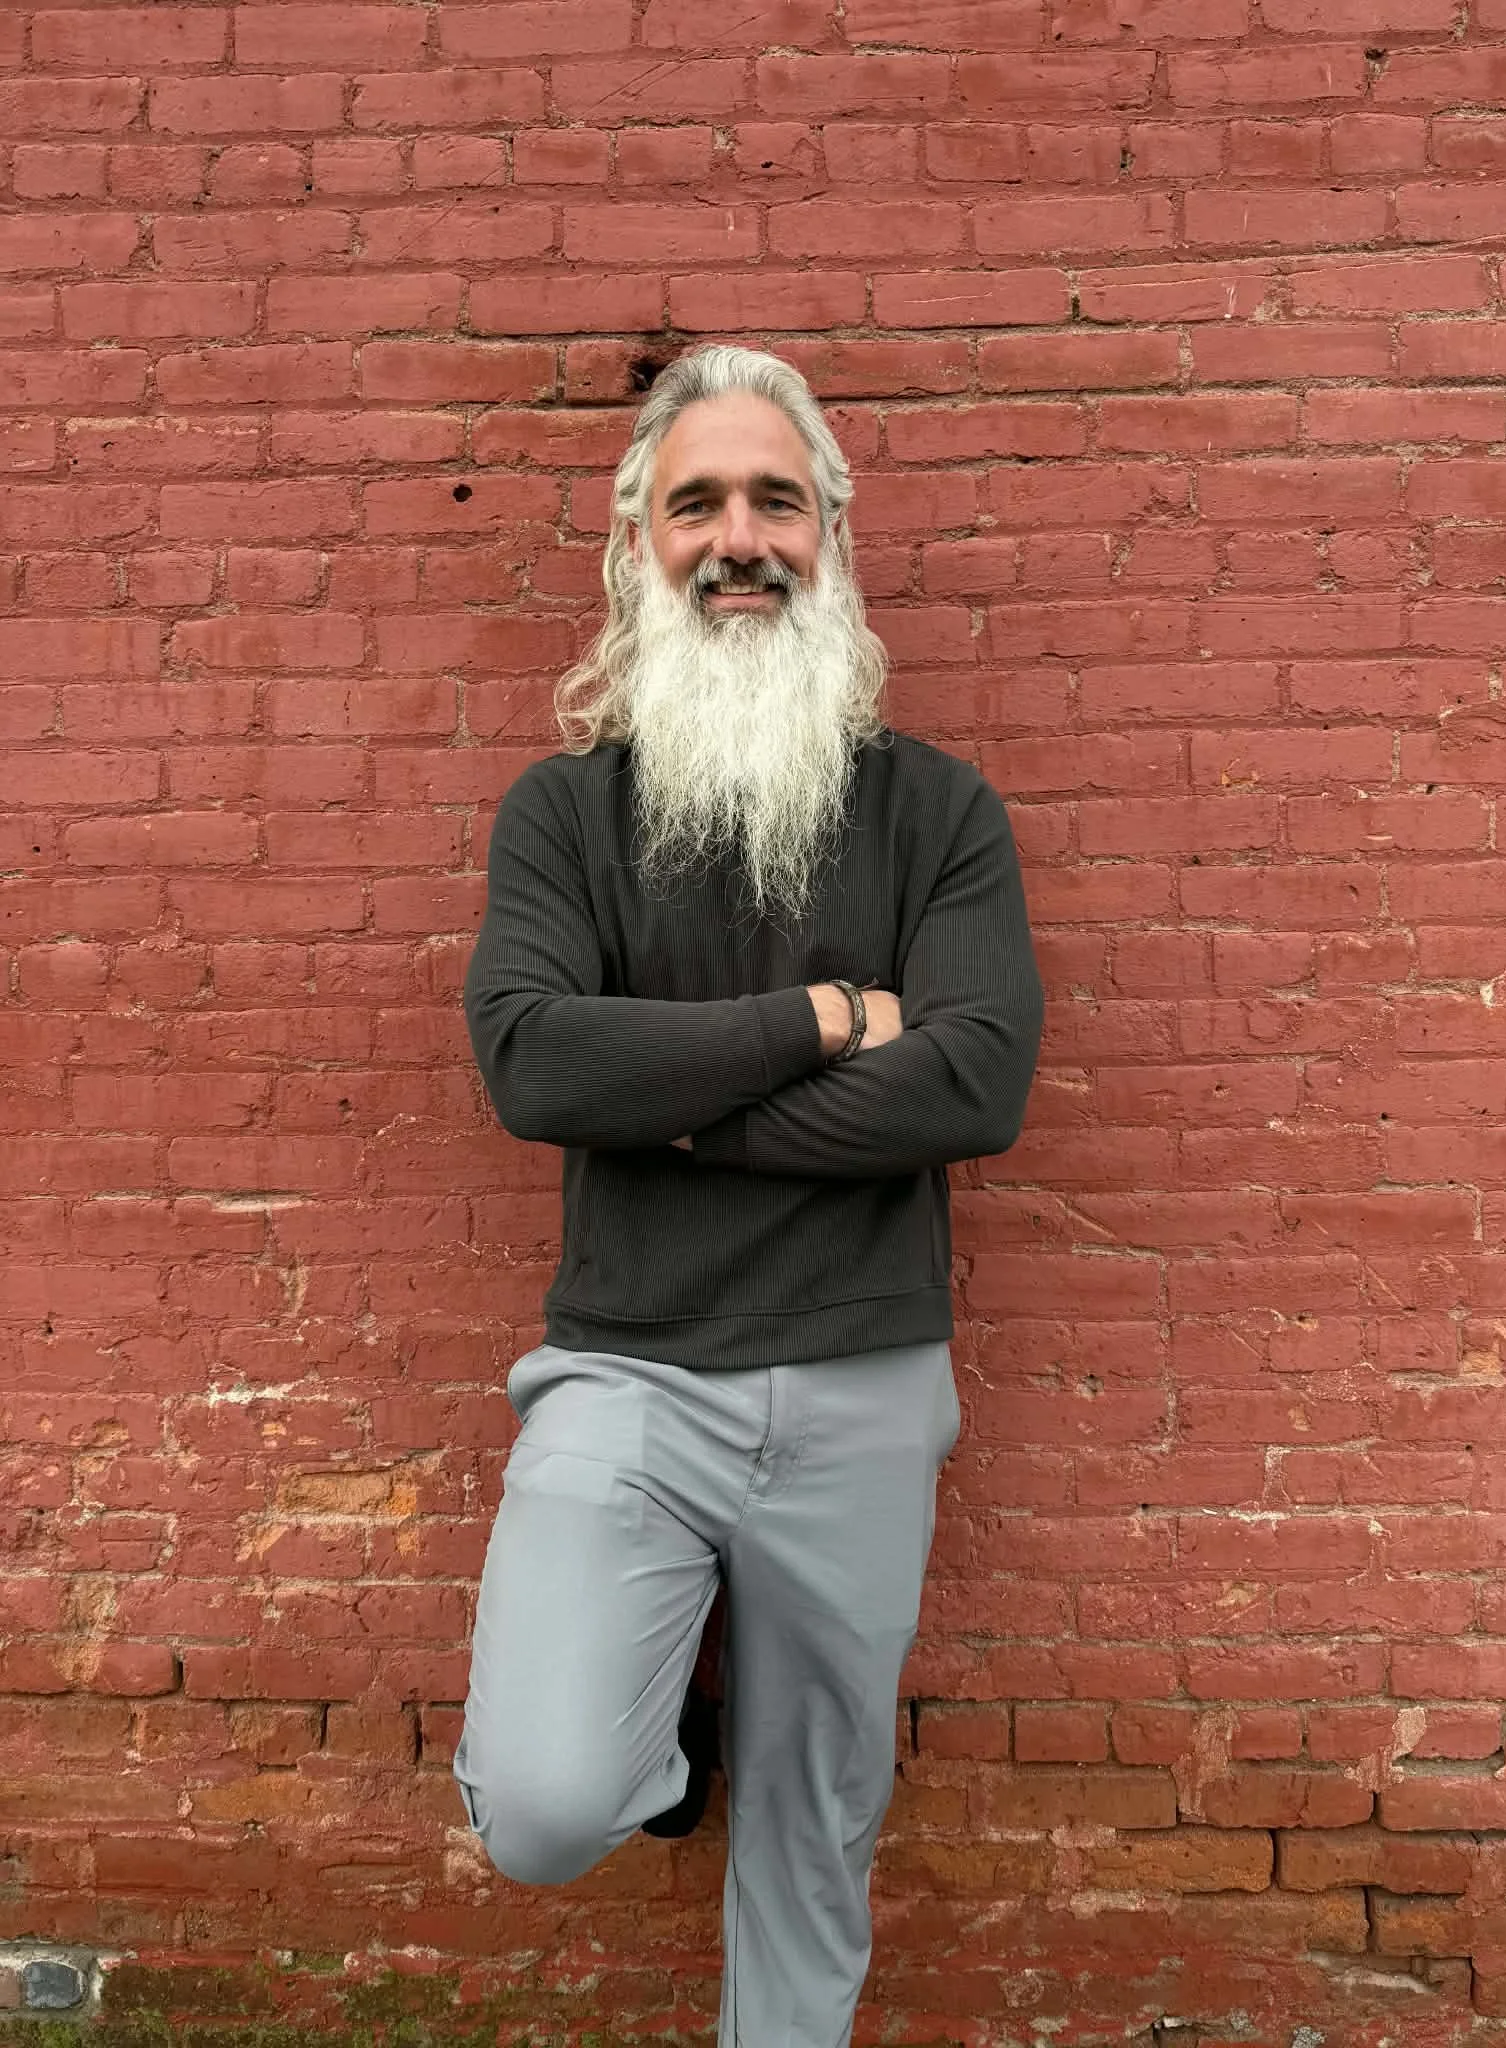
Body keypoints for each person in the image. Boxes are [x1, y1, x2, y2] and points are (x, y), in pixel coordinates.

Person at [452, 343, 1045, 2047]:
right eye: (695, 500)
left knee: (814, 1840)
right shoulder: (564, 819)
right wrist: (818, 1022)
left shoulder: (939, 815)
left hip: (865, 1379)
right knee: (548, 1805)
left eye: (776, 499)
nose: (739, 538)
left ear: (831, 535)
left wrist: (678, 1103)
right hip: (629, 1372)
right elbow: (538, 1068)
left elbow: (973, 1085)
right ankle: (658, 1740)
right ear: (637, 539)